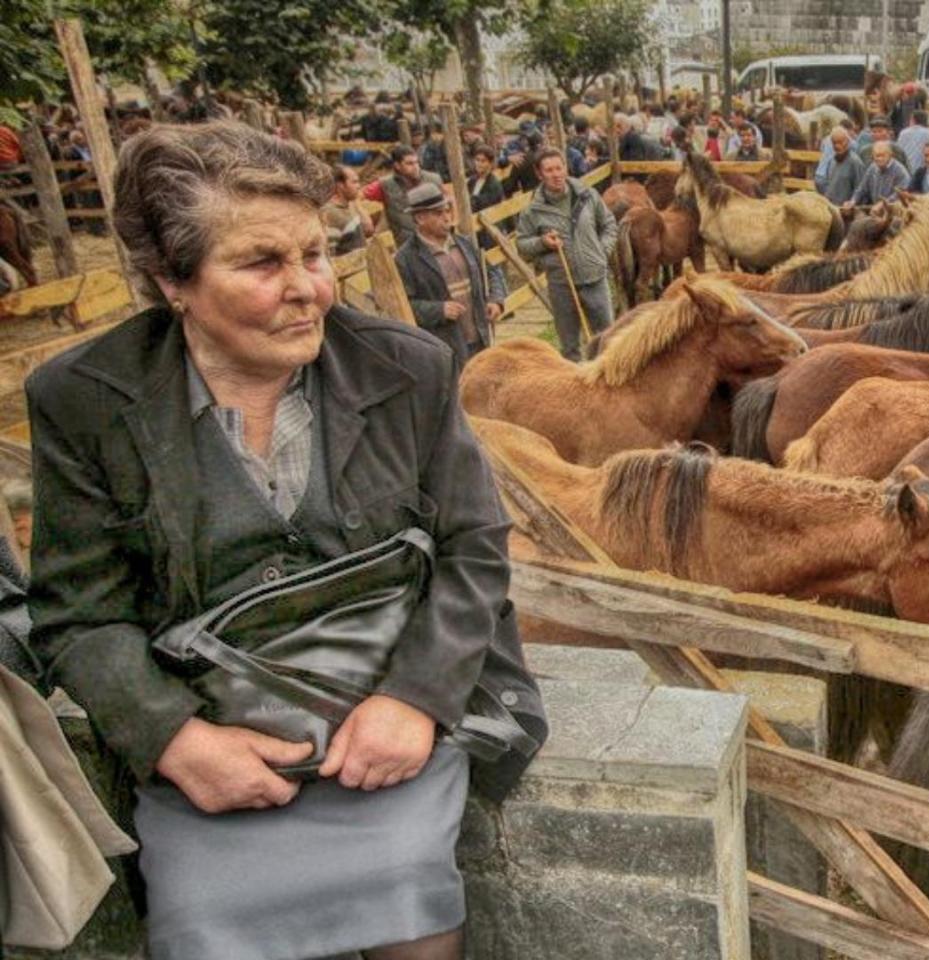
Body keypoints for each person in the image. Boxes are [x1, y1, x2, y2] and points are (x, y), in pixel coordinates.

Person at [26, 119, 543, 960]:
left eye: (315, 253)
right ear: (171, 281)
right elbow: (78, 613)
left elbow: (474, 547)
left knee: (409, 894)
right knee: (198, 924)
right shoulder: (84, 399)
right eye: (263, 264)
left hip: (381, 720)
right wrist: (175, 740)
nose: (310, 287)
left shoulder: (405, 368)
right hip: (215, 736)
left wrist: (416, 700)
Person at [515, 148, 618, 359]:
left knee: (607, 341)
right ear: (539, 174)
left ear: (566, 167)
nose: (556, 174)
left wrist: (602, 252)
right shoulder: (533, 211)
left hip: (595, 278)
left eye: (559, 168)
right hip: (562, 284)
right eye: (549, 170)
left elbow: (609, 225)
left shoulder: (588, 196)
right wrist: (542, 242)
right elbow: (522, 246)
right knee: (569, 347)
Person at [394, 185, 505, 367]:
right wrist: (438, 310)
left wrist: (496, 300)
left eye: (447, 210)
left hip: (481, 339)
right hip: (444, 349)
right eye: (438, 213)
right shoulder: (405, 259)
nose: (447, 217)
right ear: (420, 218)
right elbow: (403, 306)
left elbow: (491, 272)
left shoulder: (465, 244)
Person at [378, 146, 443, 243]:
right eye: (409, 163)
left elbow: (448, 201)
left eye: (416, 162)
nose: (415, 167)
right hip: (407, 244)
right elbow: (358, 196)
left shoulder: (433, 179)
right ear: (397, 166)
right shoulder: (385, 185)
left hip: (434, 238)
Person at [320, 164, 375, 256]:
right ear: (340, 185)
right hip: (350, 267)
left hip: (362, 265)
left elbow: (369, 230)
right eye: (354, 182)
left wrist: (356, 201)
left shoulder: (349, 206)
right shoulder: (331, 214)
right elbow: (330, 255)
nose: (359, 186)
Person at [848, 141, 908, 209]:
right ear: (873, 156)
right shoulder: (872, 168)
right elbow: (862, 188)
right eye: (877, 156)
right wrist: (853, 201)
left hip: (895, 211)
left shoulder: (900, 172)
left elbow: (901, 194)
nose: (880, 159)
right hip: (876, 209)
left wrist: (884, 203)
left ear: (890, 155)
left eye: (883, 155)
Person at [814, 127, 865, 205]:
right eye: (834, 143)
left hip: (846, 211)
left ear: (847, 141)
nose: (837, 146)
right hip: (832, 208)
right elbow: (828, 185)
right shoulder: (832, 161)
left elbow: (860, 189)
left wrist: (852, 203)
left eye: (840, 142)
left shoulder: (855, 162)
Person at [467, 144, 504, 217]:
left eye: (483, 161)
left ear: (490, 163)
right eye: (477, 160)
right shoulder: (472, 181)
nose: (479, 164)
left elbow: (483, 206)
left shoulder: (494, 185)